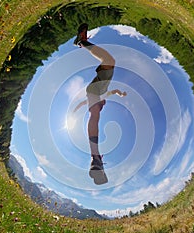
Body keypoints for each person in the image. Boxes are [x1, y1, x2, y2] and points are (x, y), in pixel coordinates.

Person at [73, 23, 127, 185]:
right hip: (96, 89)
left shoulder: (98, 98)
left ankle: (95, 158)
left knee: (109, 60)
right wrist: (120, 93)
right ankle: (82, 42)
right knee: (109, 60)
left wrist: (81, 106)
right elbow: (112, 91)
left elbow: (93, 100)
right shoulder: (100, 94)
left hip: (95, 90)